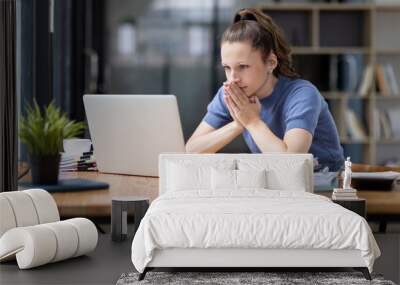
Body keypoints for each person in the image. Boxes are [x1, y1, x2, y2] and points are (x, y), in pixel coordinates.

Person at [185, 7, 344, 171]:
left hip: (326, 186)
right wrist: (239, 124)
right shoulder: (231, 93)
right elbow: (191, 150)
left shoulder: (303, 94)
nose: (233, 78)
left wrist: (252, 122)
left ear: (271, 63)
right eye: (227, 67)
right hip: (276, 184)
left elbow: (292, 164)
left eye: (243, 66)